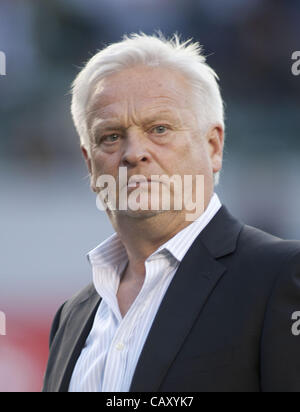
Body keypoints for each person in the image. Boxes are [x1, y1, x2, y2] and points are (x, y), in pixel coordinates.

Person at [42, 33, 300, 392]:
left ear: (213, 146)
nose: (134, 152)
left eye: (159, 129)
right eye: (111, 136)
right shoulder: (71, 317)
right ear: (89, 163)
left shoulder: (282, 276)